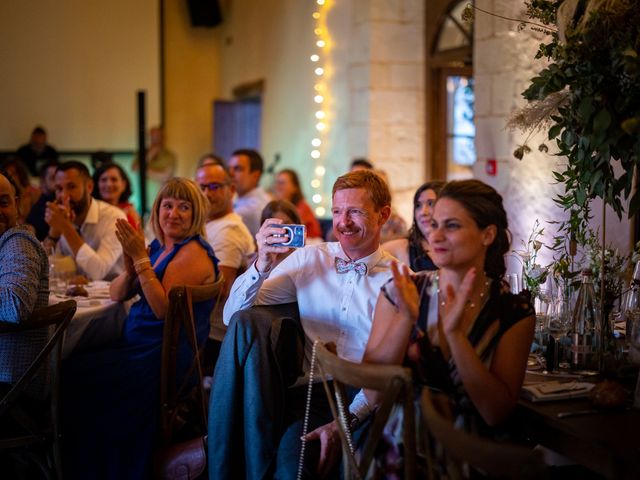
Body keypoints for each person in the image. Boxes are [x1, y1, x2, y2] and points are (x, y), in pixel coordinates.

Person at [209, 169, 393, 479]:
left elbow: (388, 370)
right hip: (313, 395)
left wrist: (346, 421)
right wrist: (262, 263)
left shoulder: (397, 278)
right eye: (337, 212)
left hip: (368, 399)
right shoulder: (310, 259)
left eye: (355, 212)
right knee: (290, 472)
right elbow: (232, 316)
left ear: (383, 214)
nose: (343, 222)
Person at [363, 179, 535, 472]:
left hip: (473, 459)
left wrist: (456, 336)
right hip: (401, 456)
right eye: (434, 224)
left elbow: (495, 413)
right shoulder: (402, 291)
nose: (436, 235)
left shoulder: (513, 311)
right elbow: (374, 394)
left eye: (452, 225)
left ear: (488, 234)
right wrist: (406, 318)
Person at [61, 177, 218, 480]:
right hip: (139, 348)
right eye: (167, 205)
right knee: (71, 365)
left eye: (184, 207)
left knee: (72, 377)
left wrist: (141, 258)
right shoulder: (161, 246)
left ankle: (92, 465)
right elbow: (117, 293)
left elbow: (162, 310)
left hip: (158, 360)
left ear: (196, 214)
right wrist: (131, 261)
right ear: (157, 210)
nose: (173, 213)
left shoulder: (193, 253)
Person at [0, 170, 49, 398]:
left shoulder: (17, 241)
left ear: (16, 205)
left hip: (11, 386)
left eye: (3, 202)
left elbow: (15, 305)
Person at [195, 160, 255, 343]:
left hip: (213, 335)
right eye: (202, 187)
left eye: (214, 187)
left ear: (232, 189)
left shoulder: (229, 230)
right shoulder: (209, 224)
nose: (206, 194)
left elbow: (219, 292)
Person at [43, 161, 126, 281]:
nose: (64, 195)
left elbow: (98, 271)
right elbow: (45, 271)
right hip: (78, 295)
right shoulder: (61, 217)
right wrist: (53, 234)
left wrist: (65, 227)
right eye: (59, 189)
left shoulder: (114, 217)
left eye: (71, 187)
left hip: (113, 295)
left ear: (89, 187)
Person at [383, 180, 445, 272]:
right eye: (418, 205)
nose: (423, 212)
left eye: (431, 203)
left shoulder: (459, 248)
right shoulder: (401, 248)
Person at [228, 148, 271, 236]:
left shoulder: (252, 208)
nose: (230, 174)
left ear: (255, 175)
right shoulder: (241, 197)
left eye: (238, 169)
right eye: (230, 169)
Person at [132, 125, 177, 208]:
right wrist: (149, 156)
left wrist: (144, 170)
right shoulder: (142, 154)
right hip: (142, 200)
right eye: (152, 137)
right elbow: (134, 169)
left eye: (158, 137)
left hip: (162, 199)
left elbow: (165, 177)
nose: (155, 140)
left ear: (163, 138)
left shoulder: (169, 156)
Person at [273, 169, 323, 240]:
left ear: (294, 187)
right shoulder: (277, 206)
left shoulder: (302, 208)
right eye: (276, 182)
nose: (277, 187)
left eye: (282, 183)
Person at [92, 162, 142, 229]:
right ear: (95, 185)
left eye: (114, 179)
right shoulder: (90, 211)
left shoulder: (130, 211)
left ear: (123, 185)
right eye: (104, 180)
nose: (109, 184)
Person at [0, 157, 42, 224]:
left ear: (21, 174)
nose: (11, 176)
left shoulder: (33, 192)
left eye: (14, 173)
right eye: (7, 173)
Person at [25, 160, 59, 241]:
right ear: (42, 181)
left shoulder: (65, 203)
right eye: (53, 178)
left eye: (59, 178)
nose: (58, 182)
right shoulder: (38, 210)